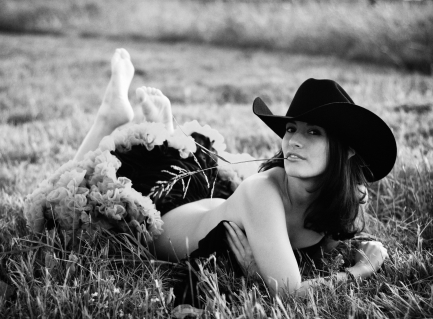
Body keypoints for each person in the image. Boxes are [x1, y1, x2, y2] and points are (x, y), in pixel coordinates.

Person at [73, 48, 395, 301]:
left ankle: (166, 136)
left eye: (313, 132)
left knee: (194, 183)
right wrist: (361, 269)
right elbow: (290, 293)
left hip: (209, 204)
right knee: (76, 192)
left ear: (347, 149)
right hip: (163, 219)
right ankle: (108, 116)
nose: (293, 140)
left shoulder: (338, 196)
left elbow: (326, 246)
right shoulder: (263, 192)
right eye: (291, 128)